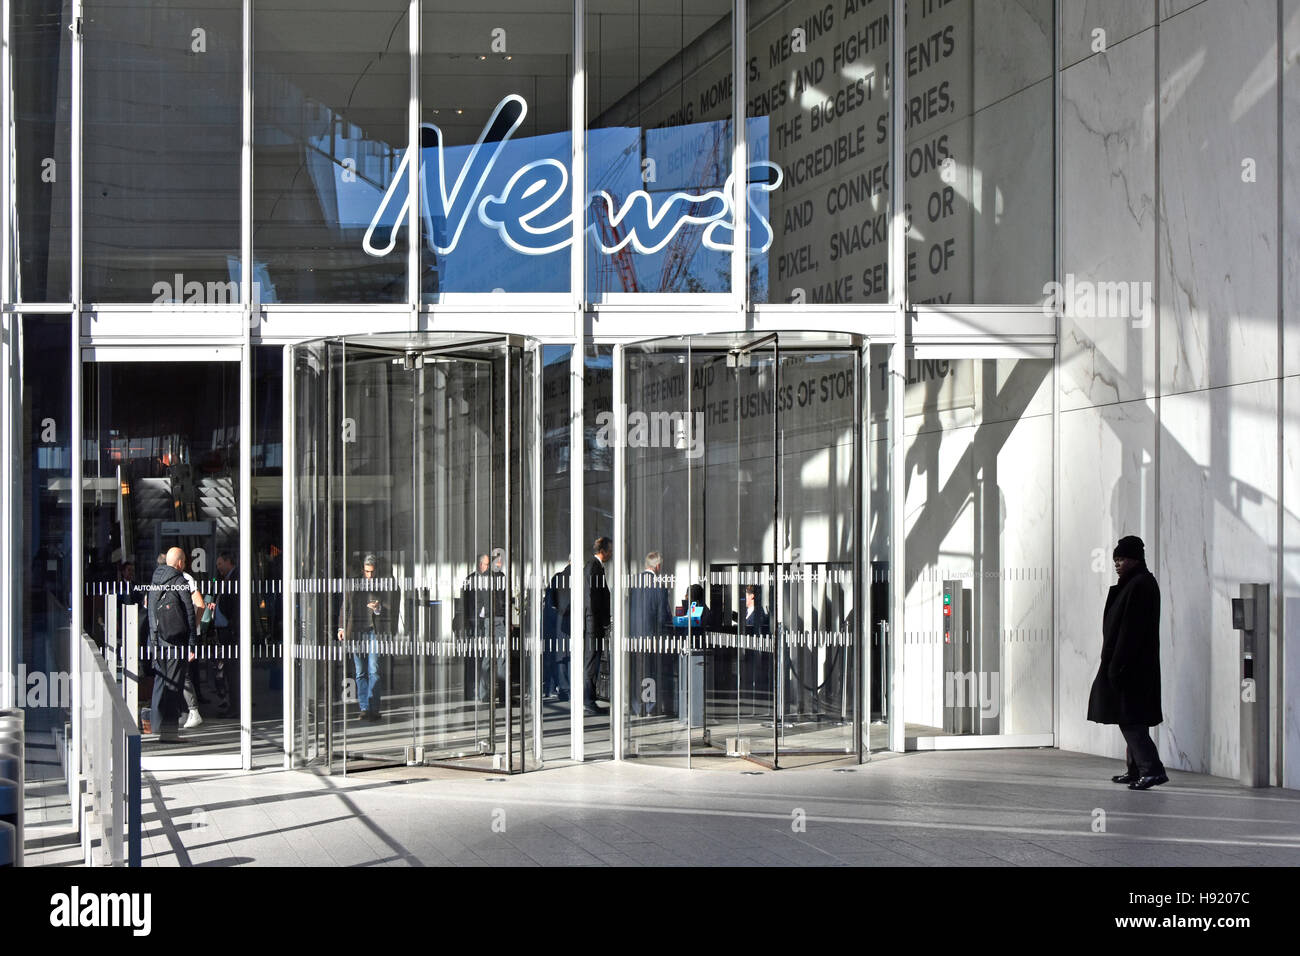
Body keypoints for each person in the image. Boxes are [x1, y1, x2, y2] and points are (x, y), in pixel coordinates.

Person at [1087, 535, 1168, 790]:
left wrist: (1118, 665)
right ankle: (1135, 770)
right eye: (1115, 559)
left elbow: (1131, 632)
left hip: (1132, 667)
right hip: (1128, 665)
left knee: (1132, 719)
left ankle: (1152, 770)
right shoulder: (1133, 584)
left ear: (1135, 559)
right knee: (1130, 717)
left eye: (1121, 559)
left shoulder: (1141, 585)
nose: (1116, 564)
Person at [147, 548, 201, 742]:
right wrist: (192, 644)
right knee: (174, 687)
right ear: (179, 563)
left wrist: (153, 641)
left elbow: (151, 613)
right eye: (184, 561)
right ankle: (169, 734)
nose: (185, 564)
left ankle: (156, 726)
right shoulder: (180, 582)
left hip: (157, 642)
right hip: (175, 644)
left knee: (160, 684)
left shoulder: (155, 580)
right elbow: (189, 614)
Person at [336, 554, 392, 722]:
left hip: (373, 631)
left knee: (373, 669)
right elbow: (344, 607)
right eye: (367, 572)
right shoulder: (353, 584)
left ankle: (373, 709)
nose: (370, 576)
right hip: (356, 632)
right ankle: (364, 708)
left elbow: (390, 607)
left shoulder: (382, 585)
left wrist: (378, 608)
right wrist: (341, 627)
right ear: (362, 570)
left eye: (372, 572)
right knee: (360, 671)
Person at [627, 551, 672, 716]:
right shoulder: (659, 586)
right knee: (650, 672)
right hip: (650, 636)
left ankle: (636, 706)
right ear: (658, 566)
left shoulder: (633, 583)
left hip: (633, 636)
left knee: (636, 672)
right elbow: (661, 617)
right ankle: (649, 707)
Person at [462, 553, 507, 703]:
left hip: (489, 620)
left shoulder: (490, 578)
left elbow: (499, 600)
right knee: (493, 657)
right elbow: (470, 603)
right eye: (486, 564)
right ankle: (494, 694)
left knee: (492, 657)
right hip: (486, 621)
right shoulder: (477, 579)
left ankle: (488, 693)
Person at [583, 537, 612, 716]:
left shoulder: (594, 566)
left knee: (592, 660)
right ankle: (588, 700)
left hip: (593, 622)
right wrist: (601, 621)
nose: (611, 553)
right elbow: (593, 598)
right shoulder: (593, 567)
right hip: (593, 623)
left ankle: (589, 699)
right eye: (610, 550)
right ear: (603, 550)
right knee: (591, 661)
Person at [211, 551, 237, 717]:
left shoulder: (235, 578)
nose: (218, 568)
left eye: (220, 564)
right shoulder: (226, 579)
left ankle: (235, 706)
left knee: (232, 669)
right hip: (225, 630)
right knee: (227, 668)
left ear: (229, 561)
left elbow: (234, 605)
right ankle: (232, 702)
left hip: (231, 631)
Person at [543, 564, 572, 700]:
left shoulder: (558, 578)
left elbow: (550, 601)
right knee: (570, 655)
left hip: (557, 623)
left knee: (560, 656)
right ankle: (569, 687)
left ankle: (562, 688)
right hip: (569, 622)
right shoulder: (579, 577)